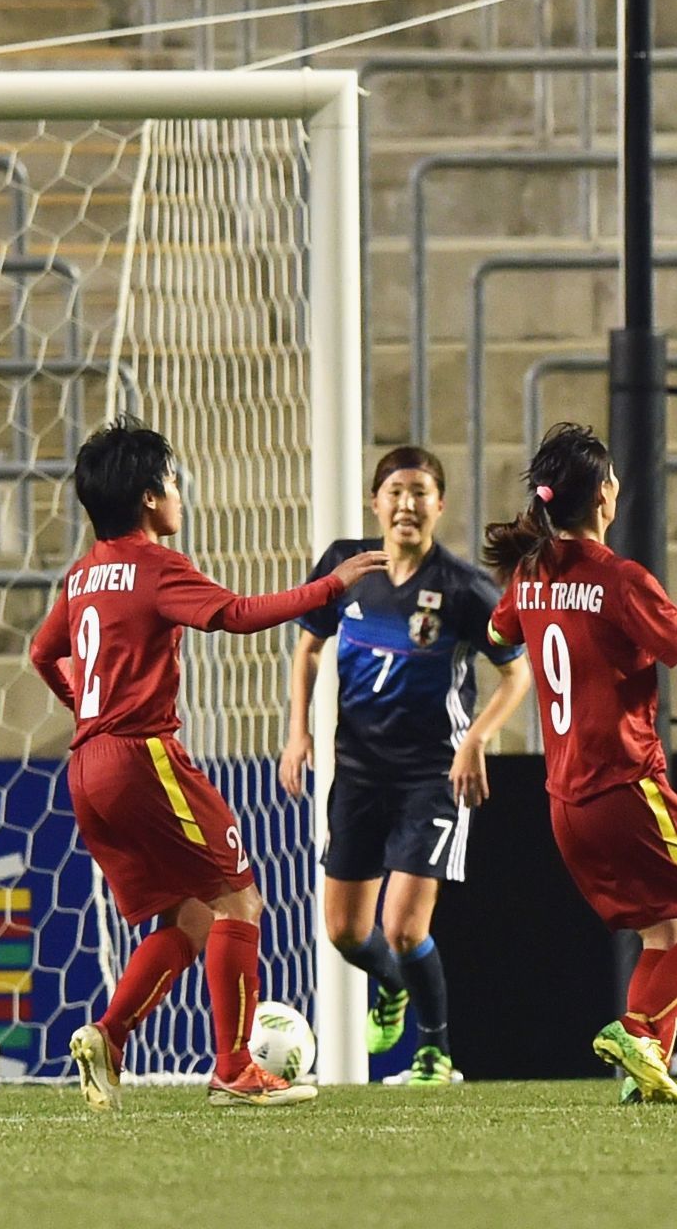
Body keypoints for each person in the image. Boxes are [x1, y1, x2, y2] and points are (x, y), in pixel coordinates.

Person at [29, 416, 387, 1110]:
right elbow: (236, 613)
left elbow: (44, 654)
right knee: (239, 898)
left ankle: (110, 1035)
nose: (179, 493)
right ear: (147, 499)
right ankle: (233, 1067)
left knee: (191, 918)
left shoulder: (82, 577)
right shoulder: (155, 565)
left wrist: (83, 707)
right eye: (171, 481)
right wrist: (330, 586)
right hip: (144, 757)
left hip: (87, 766)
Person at [482, 423, 677, 1107]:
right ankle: (637, 1031)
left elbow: (496, 635)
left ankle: (648, 1074)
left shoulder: (528, 575)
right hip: (627, 786)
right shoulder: (619, 579)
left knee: (663, 931)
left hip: (565, 799)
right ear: (606, 493)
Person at [280, 446, 533, 1087]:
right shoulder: (345, 565)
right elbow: (308, 647)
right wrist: (297, 732)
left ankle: (435, 1055)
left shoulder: (464, 589)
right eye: (395, 491)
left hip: (432, 777)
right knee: (343, 932)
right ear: (375, 502)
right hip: (357, 772)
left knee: (401, 926)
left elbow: (516, 673)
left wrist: (476, 740)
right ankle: (391, 988)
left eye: (421, 492)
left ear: (439, 506)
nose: (407, 504)